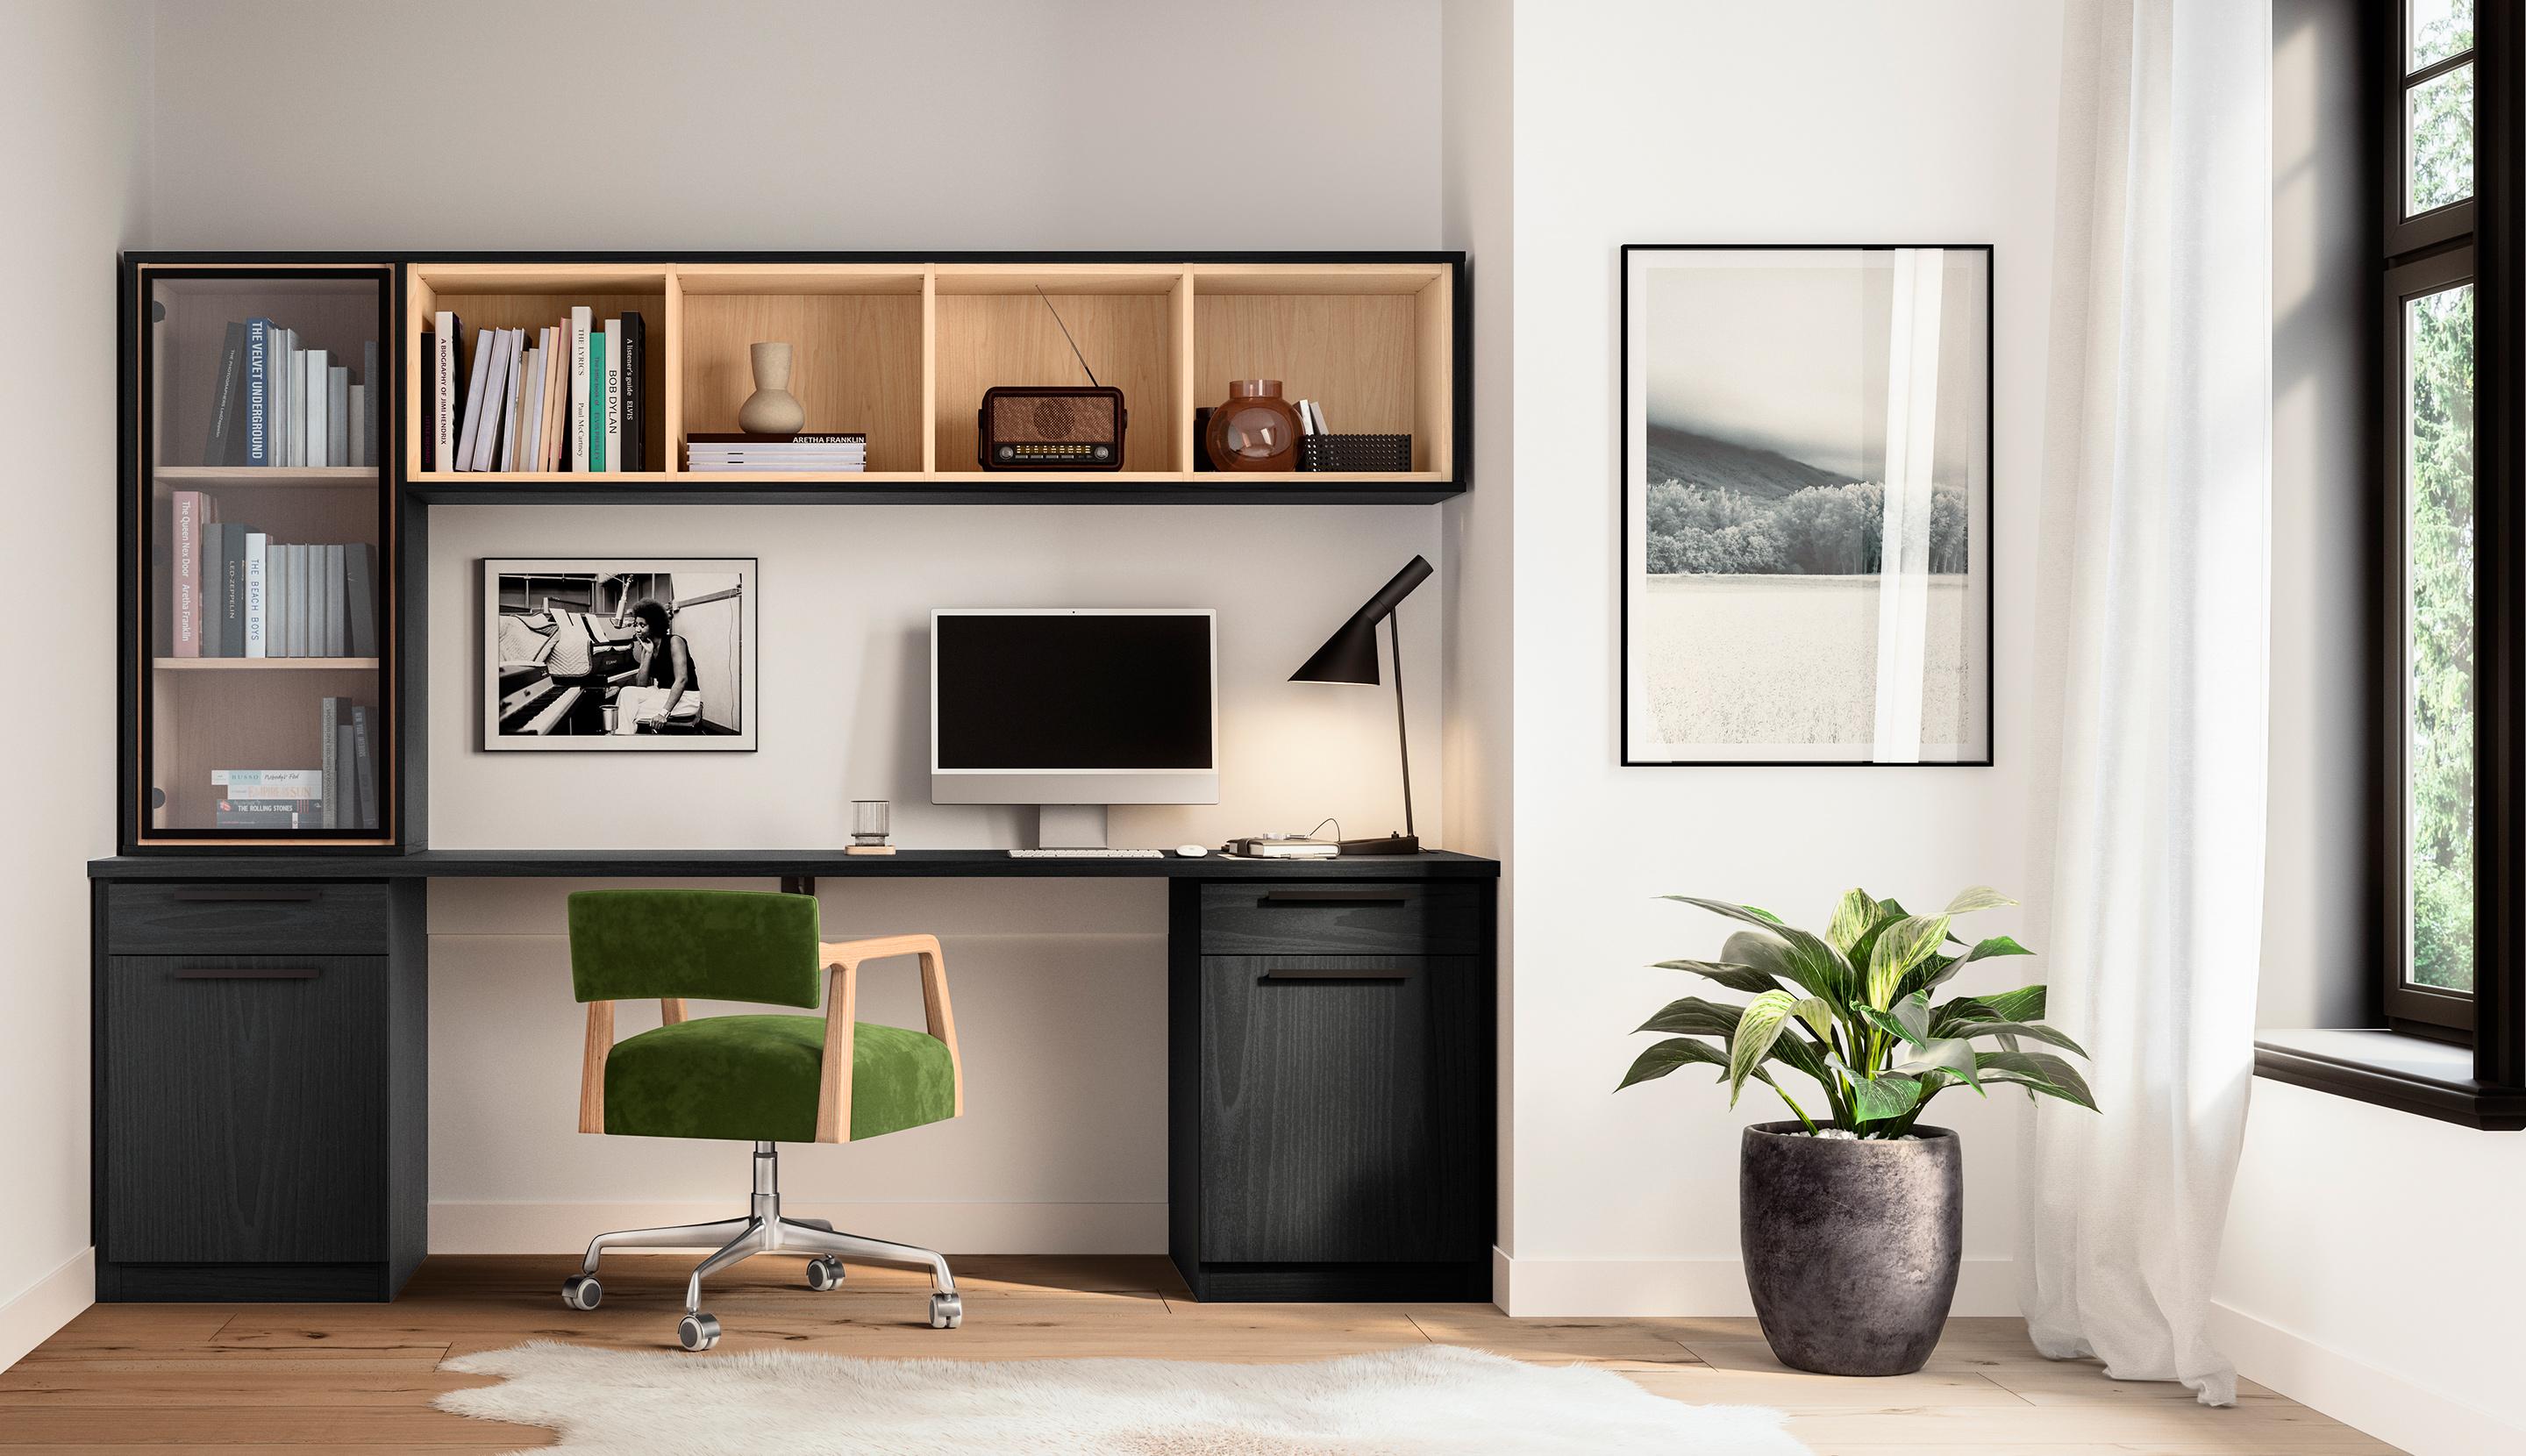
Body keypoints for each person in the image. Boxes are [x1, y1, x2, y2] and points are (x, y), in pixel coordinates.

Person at [618, 597, 694, 732]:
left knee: (630, 711)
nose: (637, 630)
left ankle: (623, 739)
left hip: (686, 697)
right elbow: (641, 685)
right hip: (661, 691)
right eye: (636, 625)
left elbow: (682, 680)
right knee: (626, 693)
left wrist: (663, 713)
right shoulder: (648, 646)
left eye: (642, 625)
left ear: (654, 625)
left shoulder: (675, 642)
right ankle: (625, 736)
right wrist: (648, 653)